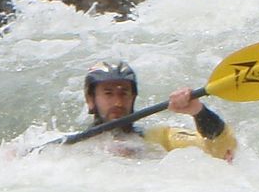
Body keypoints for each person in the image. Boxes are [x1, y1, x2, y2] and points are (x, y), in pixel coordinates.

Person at [82, 60, 237, 162]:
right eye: (108, 93)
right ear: (90, 100)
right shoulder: (74, 149)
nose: (118, 102)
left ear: (133, 98)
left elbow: (223, 150)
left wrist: (198, 111)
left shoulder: (161, 138)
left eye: (124, 93)